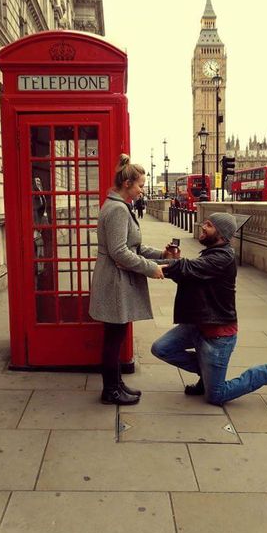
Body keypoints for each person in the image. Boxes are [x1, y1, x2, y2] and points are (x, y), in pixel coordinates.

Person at [151, 212, 267, 405]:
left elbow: (188, 268)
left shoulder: (222, 257)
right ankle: (207, 375)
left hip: (218, 335)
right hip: (198, 325)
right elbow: (189, 274)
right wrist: (175, 261)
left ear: (222, 234)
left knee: (216, 395)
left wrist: (142, 266)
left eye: (209, 225)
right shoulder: (212, 254)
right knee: (161, 348)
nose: (203, 226)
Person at [89, 154, 174, 405]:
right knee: (113, 338)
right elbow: (119, 251)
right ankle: (110, 391)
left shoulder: (119, 206)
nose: (141, 190)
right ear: (127, 184)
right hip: (114, 281)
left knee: (117, 335)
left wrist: (161, 254)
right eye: (139, 185)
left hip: (118, 277)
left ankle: (116, 384)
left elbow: (132, 246)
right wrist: (151, 269)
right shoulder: (116, 209)